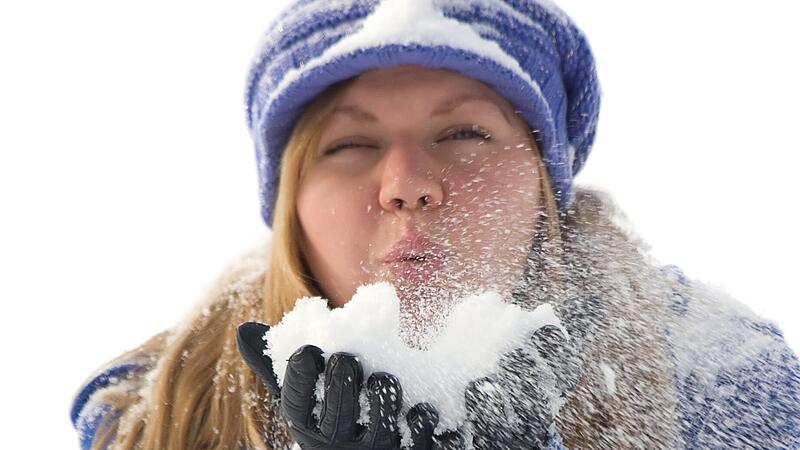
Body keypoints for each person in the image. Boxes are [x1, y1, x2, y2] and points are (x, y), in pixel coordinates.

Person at [70, 1, 800, 449]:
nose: (408, 187)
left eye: (466, 136)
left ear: (547, 189)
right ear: (289, 205)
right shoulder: (154, 415)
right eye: (351, 146)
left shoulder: (723, 382)